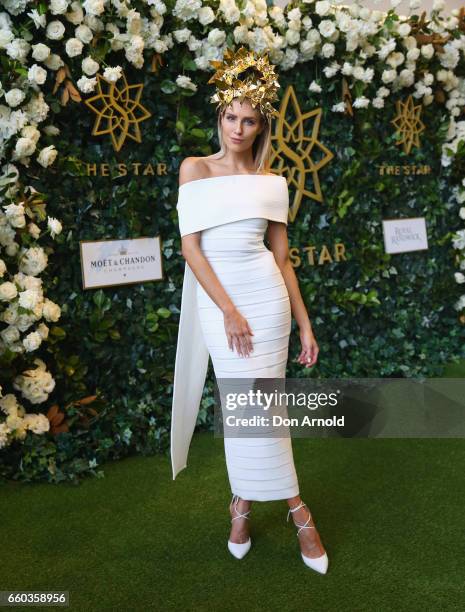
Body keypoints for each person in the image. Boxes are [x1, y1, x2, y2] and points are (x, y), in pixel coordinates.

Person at [170, 47, 328, 574]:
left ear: (261, 126)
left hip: (268, 300)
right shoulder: (194, 169)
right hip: (223, 308)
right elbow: (191, 250)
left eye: (250, 120)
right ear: (220, 116)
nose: (238, 128)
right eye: (231, 117)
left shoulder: (273, 183)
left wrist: (305, 324)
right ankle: (296, 511)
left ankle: (244, 507)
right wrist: (229, 312)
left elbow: (282, 261)